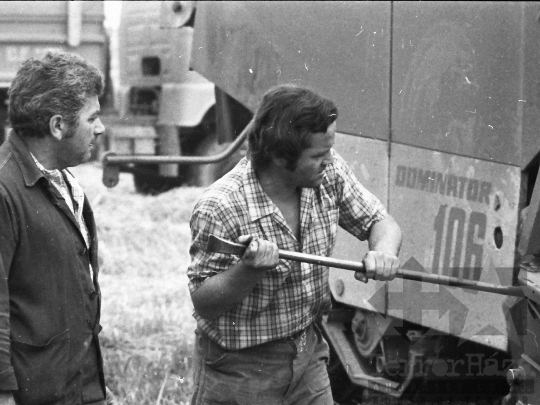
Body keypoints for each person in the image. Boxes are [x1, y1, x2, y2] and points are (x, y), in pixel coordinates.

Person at [187, 84, 402, 405]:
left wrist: (382, 252)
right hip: (239, 370)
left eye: (329, 151)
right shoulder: (221, 206)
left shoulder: (328, 173)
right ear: (278, 156)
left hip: (307, 355)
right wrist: (248, 270)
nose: (329, 160)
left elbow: (380, 222)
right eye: (317, 155)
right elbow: (204, 302)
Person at [0, 51, 109, 405]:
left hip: (76, 390)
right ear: (58, 126)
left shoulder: (64, 181)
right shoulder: (4, 190)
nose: (100, 128)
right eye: (92, 118)